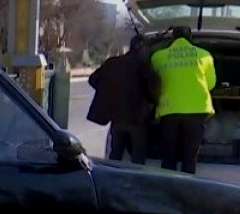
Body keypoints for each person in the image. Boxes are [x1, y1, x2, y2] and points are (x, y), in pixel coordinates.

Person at [149, 25, 218, 174]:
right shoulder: (204, 55)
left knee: (168, 157)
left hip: (169, 111)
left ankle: (168, 188)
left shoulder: (158, 56)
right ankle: (186, 190)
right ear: (191, 38)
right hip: (197, 110)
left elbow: (151, 83)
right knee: (189, 158)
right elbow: (211, 84)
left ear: (173, 38)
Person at [86, 35, 159, 164]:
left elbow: (93, 79)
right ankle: (135, 181)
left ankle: (113, 180)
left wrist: (108, 92)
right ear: (142, 48)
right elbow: (154, 89)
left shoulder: (112, 63)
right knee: (138, 157)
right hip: (137, 120)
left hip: (116, 119)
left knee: (115, 155)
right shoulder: (144, 65)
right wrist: (152, 103)